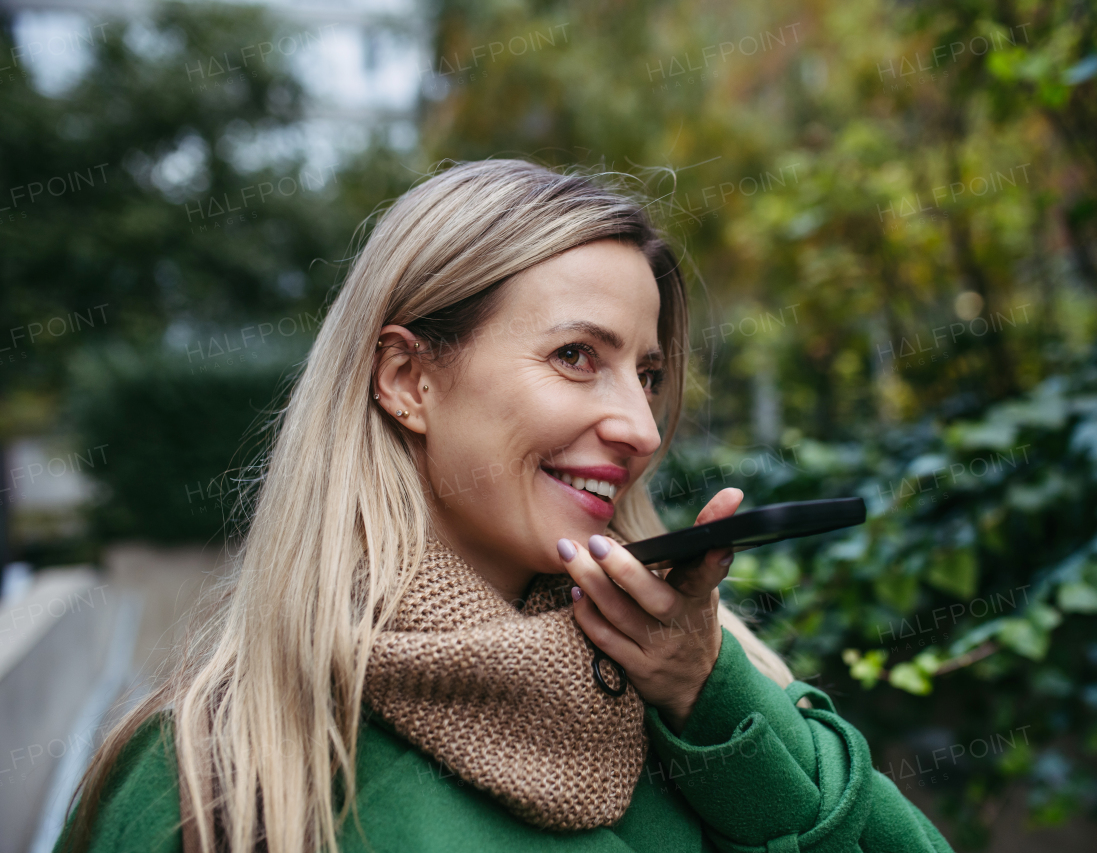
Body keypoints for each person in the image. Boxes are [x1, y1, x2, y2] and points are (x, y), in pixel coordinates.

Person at [55, 159, 954, 853]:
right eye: (575, 356)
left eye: (647, 373)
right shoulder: (219, 771)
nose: (641, 425)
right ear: (408, 378)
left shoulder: (702, 674)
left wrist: (709, 700)